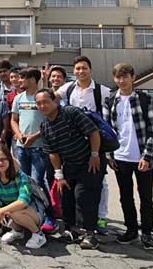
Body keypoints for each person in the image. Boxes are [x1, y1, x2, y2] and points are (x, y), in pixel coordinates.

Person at [37, 88, 104, 249]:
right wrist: (59, 176)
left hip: (89, 162)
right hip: (69, 165)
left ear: (54, 101)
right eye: (38, 103)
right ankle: (70, 230)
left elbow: (94, 132)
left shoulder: (71, 113)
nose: (42, 106)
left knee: (84, 197)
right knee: (66, 196)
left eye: (45, 102)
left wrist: (95, 155)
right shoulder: (44, 125)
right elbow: (52, 153)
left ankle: (90, 234)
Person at [104, 63, 153, 250]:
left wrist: (148, 156)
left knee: (146, 197)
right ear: (114, 79)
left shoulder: (145, 100)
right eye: (118, 77)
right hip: (120, 157)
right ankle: (130, 230)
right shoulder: (111, 101)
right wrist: (110, 155)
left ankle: (147, 233)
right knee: (125, 196)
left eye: (125, 76)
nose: (122, 80)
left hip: (142, 157)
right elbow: (107, 131)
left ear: (133, 77)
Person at [56, 55, 111, 234]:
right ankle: (75, 224)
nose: (81, 71)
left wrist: (101, 152)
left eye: (84, 68)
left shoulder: (102, 91)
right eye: (78, 68)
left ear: (91, 70)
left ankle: (100, 219)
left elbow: (109, 119)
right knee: (75, 187)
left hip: (94, 142)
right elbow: (52, 98)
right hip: (73, 144)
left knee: (98, 183)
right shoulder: (69, 88)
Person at [0, 143, 46, 249]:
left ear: (9, 160)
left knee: (13, 213)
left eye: (4, 159)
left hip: (33, 211)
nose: (0, 162)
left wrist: (1, 211)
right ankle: (18, 231)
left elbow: (23, 201)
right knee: (1, 212)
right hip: (12, 211)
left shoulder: (20, 176)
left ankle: (39, 234)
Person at [10, 68, 48, 197]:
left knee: (38, 181)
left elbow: (49, 122)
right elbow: (13, 120)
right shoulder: (18, 98)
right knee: (24, 181)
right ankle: (30, 209)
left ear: (32, 80)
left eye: (22, 77)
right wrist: (19, 134)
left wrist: (34, 136)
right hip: (21, 147)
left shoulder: (42, 97)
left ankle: (48, 212)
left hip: (39, 147)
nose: (19, 80)